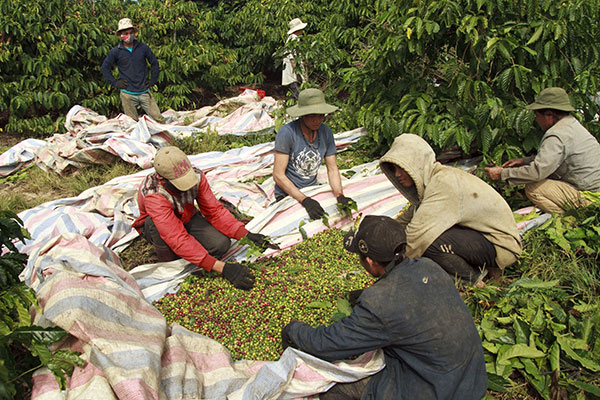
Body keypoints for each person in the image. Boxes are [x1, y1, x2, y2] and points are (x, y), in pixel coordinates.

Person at [281, 215, 488, 400]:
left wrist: (293, 330)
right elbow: (411, 299)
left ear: (370, 262)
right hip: (471, 380)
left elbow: (326, 344)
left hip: (438, 390)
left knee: (334, 392)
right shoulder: (429, 266)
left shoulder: (378, 305)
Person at [379, 134, 522, 284]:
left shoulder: (443, 184)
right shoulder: (434, 181)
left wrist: (387, 271)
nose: (397, 175)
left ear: (416, 164)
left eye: (402, 168)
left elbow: (416, 237)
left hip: (501, 245)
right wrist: (380, 236)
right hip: (483, 238)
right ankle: (482, 269)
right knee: (428, 237)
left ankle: (474, 280)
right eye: (394, 169)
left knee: (430, 242)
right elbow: (409, 218)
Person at [131, 146, 278, 290]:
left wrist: (246, 235)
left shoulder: (197, 176)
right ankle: (170, 259)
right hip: (159, 228)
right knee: (161, 234)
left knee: (220, 244)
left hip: (187, 216)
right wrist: (224, 268)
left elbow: (214, 211)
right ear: (162, 178)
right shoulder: (155, 194)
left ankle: (195, 254)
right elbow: (176, 237)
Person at [485, 87, 600, 213]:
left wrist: (502, 174)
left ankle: (573, 217)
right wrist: (525, 161)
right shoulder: (571, 124)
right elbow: (555, 158)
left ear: (549, 115)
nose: (536, 119)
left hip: (590, 198)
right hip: (595, 190)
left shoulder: (556, 135)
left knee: (533, 187)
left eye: (537, 115)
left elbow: (536, 173)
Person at [273, 88, 355, 219]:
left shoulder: (326, 133)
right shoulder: (287, 133)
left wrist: (340, 195)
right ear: (302, 115)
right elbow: (278, 175)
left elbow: (332, 169)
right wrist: (304, 200)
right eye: (312, 116)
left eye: (321, 115)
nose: (317, 120)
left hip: (312, 188)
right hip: (289, 193)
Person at [101, 18, 165, 123]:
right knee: (131, 123)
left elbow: (154, 63)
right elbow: (105, 67)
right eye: (126, 33)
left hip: (143, 91)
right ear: (121, 35)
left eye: (131, 33)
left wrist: (153, 80)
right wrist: (115, 83)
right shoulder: (116, 51)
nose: (129, 35)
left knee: (158, 119)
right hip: (127, 94)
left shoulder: (143, 48)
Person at [281, 18, 308, 99]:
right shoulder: (293, 38)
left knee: (294, 92)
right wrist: (297, 71)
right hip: (293, 72)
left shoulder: (294, 38)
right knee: (296, 93)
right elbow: (291, 56)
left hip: (293, 71)